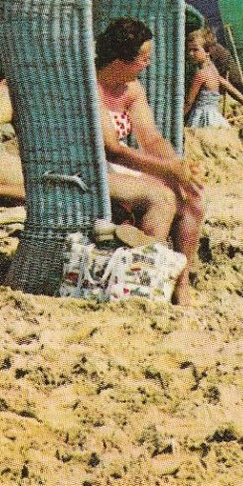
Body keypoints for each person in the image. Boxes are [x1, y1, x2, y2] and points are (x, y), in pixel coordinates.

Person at [96, 18, 204, 305]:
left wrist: (178, 166)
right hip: (92, 169)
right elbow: (112, 149)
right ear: (121, 60)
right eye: (143, 58)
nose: (147, 64)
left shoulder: (130, 89)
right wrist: (168, 170)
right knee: (162, 199)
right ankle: (146, 283)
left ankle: (180, 283)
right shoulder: (92, 88)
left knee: (193, 198)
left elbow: (152, 139)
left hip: (117, 167)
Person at [184, 30, 243, 128]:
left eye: (195, 50)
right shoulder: (213, 69)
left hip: (201, 117)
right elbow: (228, 86)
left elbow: (189, 103)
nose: (191, 54)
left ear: (207, 51)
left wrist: (178, 120)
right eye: (189, 50)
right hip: (214, 117)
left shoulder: (200, 75)